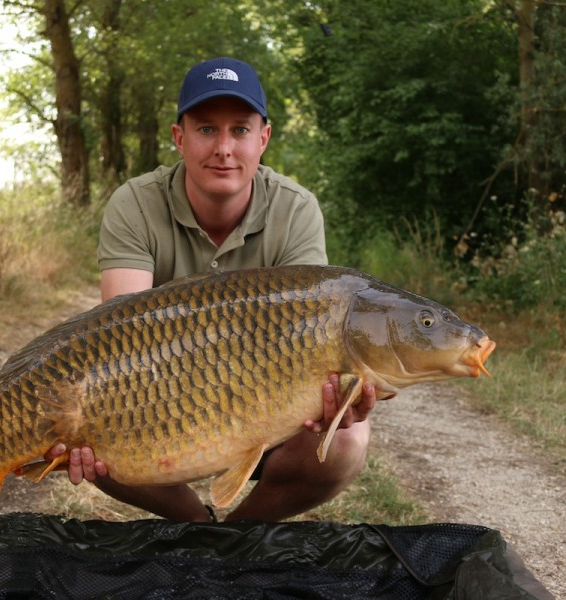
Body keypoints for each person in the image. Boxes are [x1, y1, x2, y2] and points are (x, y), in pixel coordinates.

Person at [45, 57, 378, 523]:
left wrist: (340, 397)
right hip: (159, 410)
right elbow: (114, 339)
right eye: (206, 129)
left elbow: (314, 337)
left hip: (267, 407)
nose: (224, 148)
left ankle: (239, 535)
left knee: (346, 440)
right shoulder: (135, 203)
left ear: (263, 137)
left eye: (240, 130)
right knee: (90, 432)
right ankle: (197, 528)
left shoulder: (296, 210)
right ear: (179, 137)